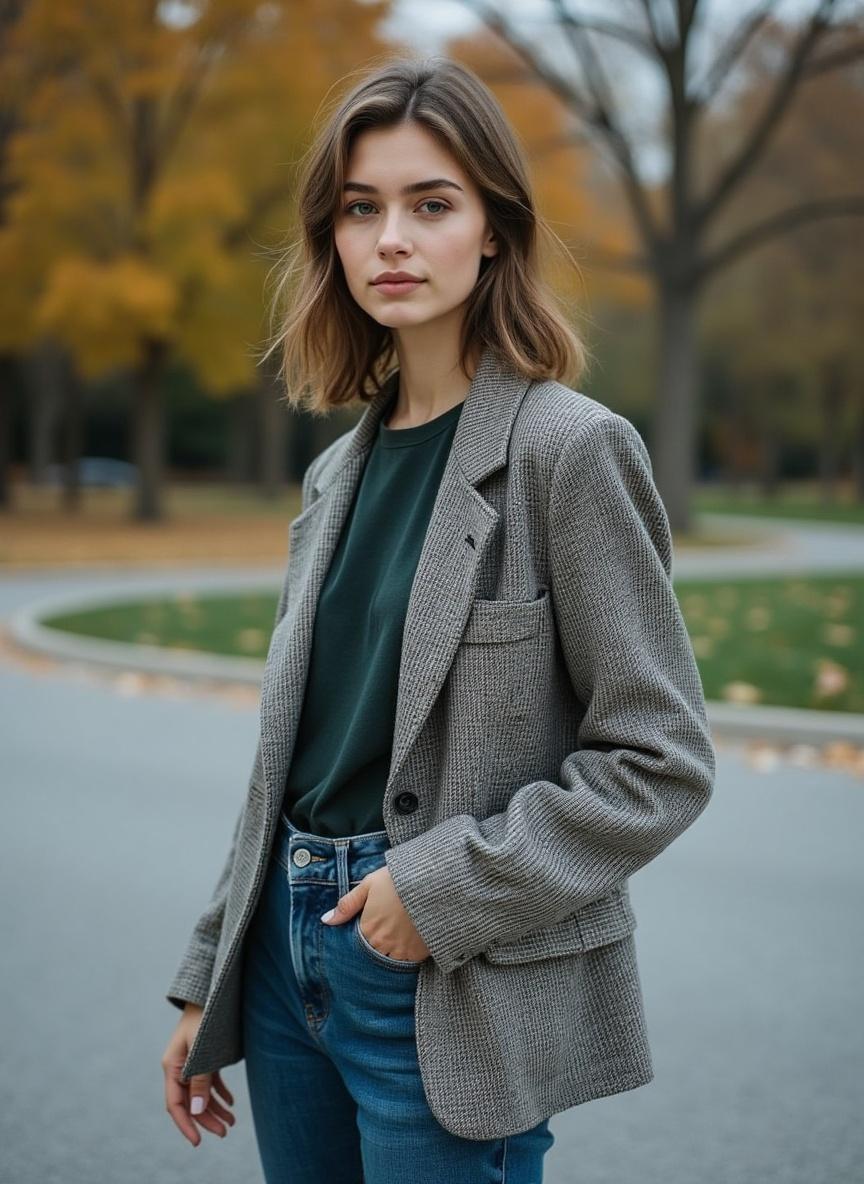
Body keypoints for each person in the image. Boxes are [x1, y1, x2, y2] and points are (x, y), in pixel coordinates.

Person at [161, 54, 716, 1184]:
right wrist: (207, 974)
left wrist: (442, 888)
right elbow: (285, 764)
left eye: (431, 204)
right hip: (282, 962)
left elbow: (659, 759)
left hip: (444, 965)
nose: (391, 239)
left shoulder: (572, 451)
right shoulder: (331, 480)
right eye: (362, 209)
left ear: (495, 230)